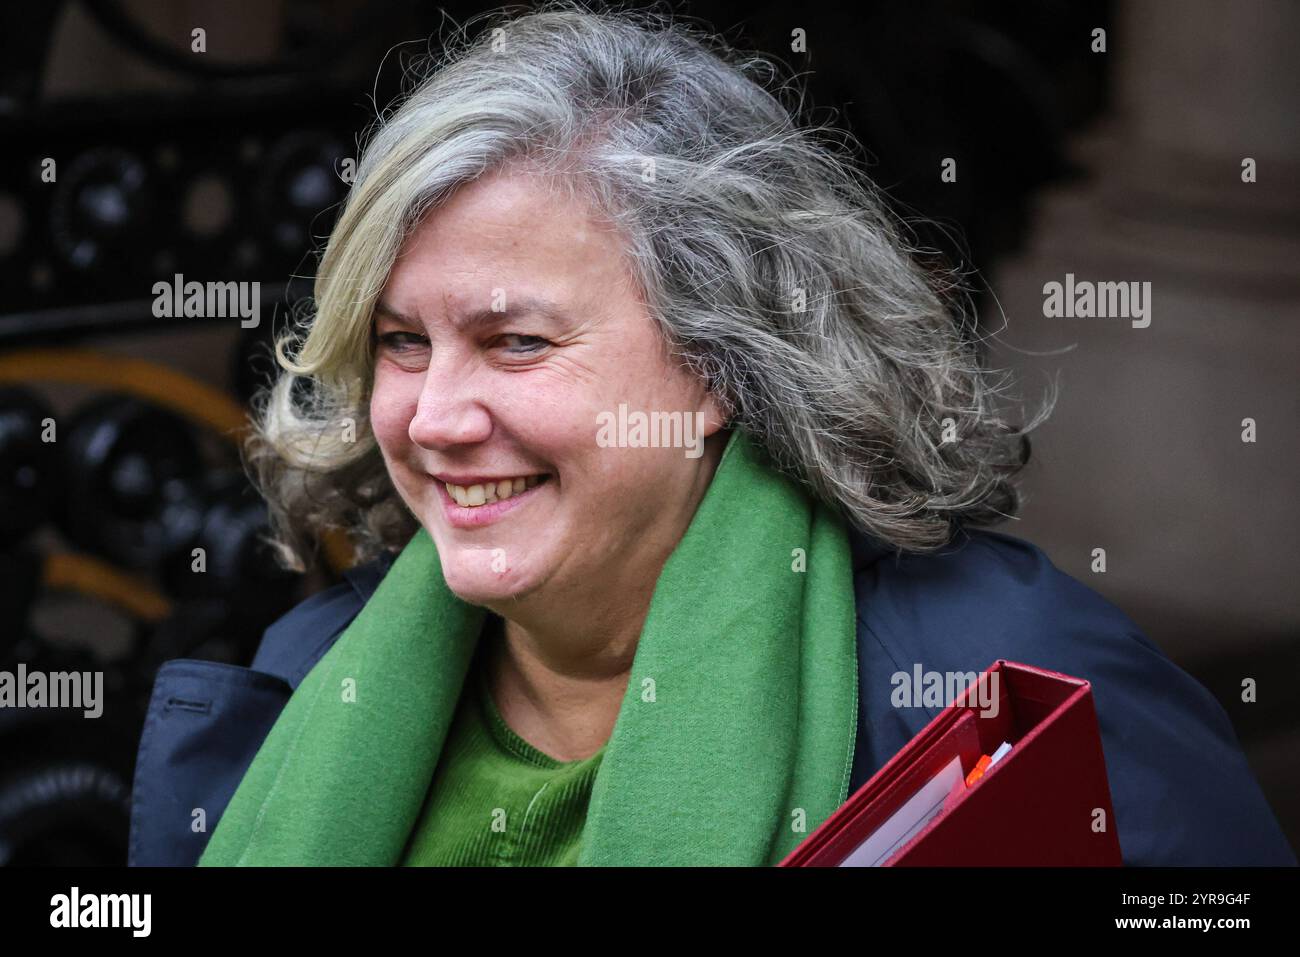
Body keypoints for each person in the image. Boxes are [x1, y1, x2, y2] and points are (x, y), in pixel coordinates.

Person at [128, 4, 1295, 867]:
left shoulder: (1011, 693)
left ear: (719, 363)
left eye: (518, 343)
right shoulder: (306, 680)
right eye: (400, 343)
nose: (434, 418)